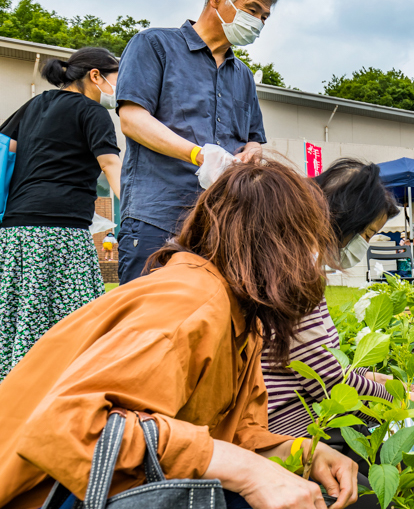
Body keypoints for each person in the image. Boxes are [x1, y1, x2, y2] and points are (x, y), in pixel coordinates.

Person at [0, 161, 361, 509]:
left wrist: (303, 453)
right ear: (279, 245)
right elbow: (68, 428)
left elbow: (235, 435)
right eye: (308, 239)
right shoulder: (191, 303)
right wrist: (250, 473)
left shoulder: (241, 317)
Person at [115, 0, 277, 284]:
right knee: (146, 323)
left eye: (264, 16)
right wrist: (198, 154)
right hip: (157, 216)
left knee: (212, 324)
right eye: (252, 9)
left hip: (223, 225)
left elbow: (254, 138)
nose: (258, 22)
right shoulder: (155, 46)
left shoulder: (242, 75)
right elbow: (132, 119)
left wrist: (252, 152)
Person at [265, 159, 414, 438]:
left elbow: (317, 360)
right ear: (344, 217)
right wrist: (403, 400)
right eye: (368, 234)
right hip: (296, 430)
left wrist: (375, 379)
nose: (365, 245)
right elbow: (324, 379)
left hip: (307, 416)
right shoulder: (294, 273)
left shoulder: (294, 262)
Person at [0, 48, 122, 379]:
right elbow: (110, 163)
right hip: (60, 232)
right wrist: (135, 214)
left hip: (14, 232)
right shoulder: (92, 112)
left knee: (17, 322)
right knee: (78, 325)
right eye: (117, 77)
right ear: (96, 76)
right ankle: (50, 401)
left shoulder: (34, 104)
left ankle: (12, 395)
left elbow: (6, 149)